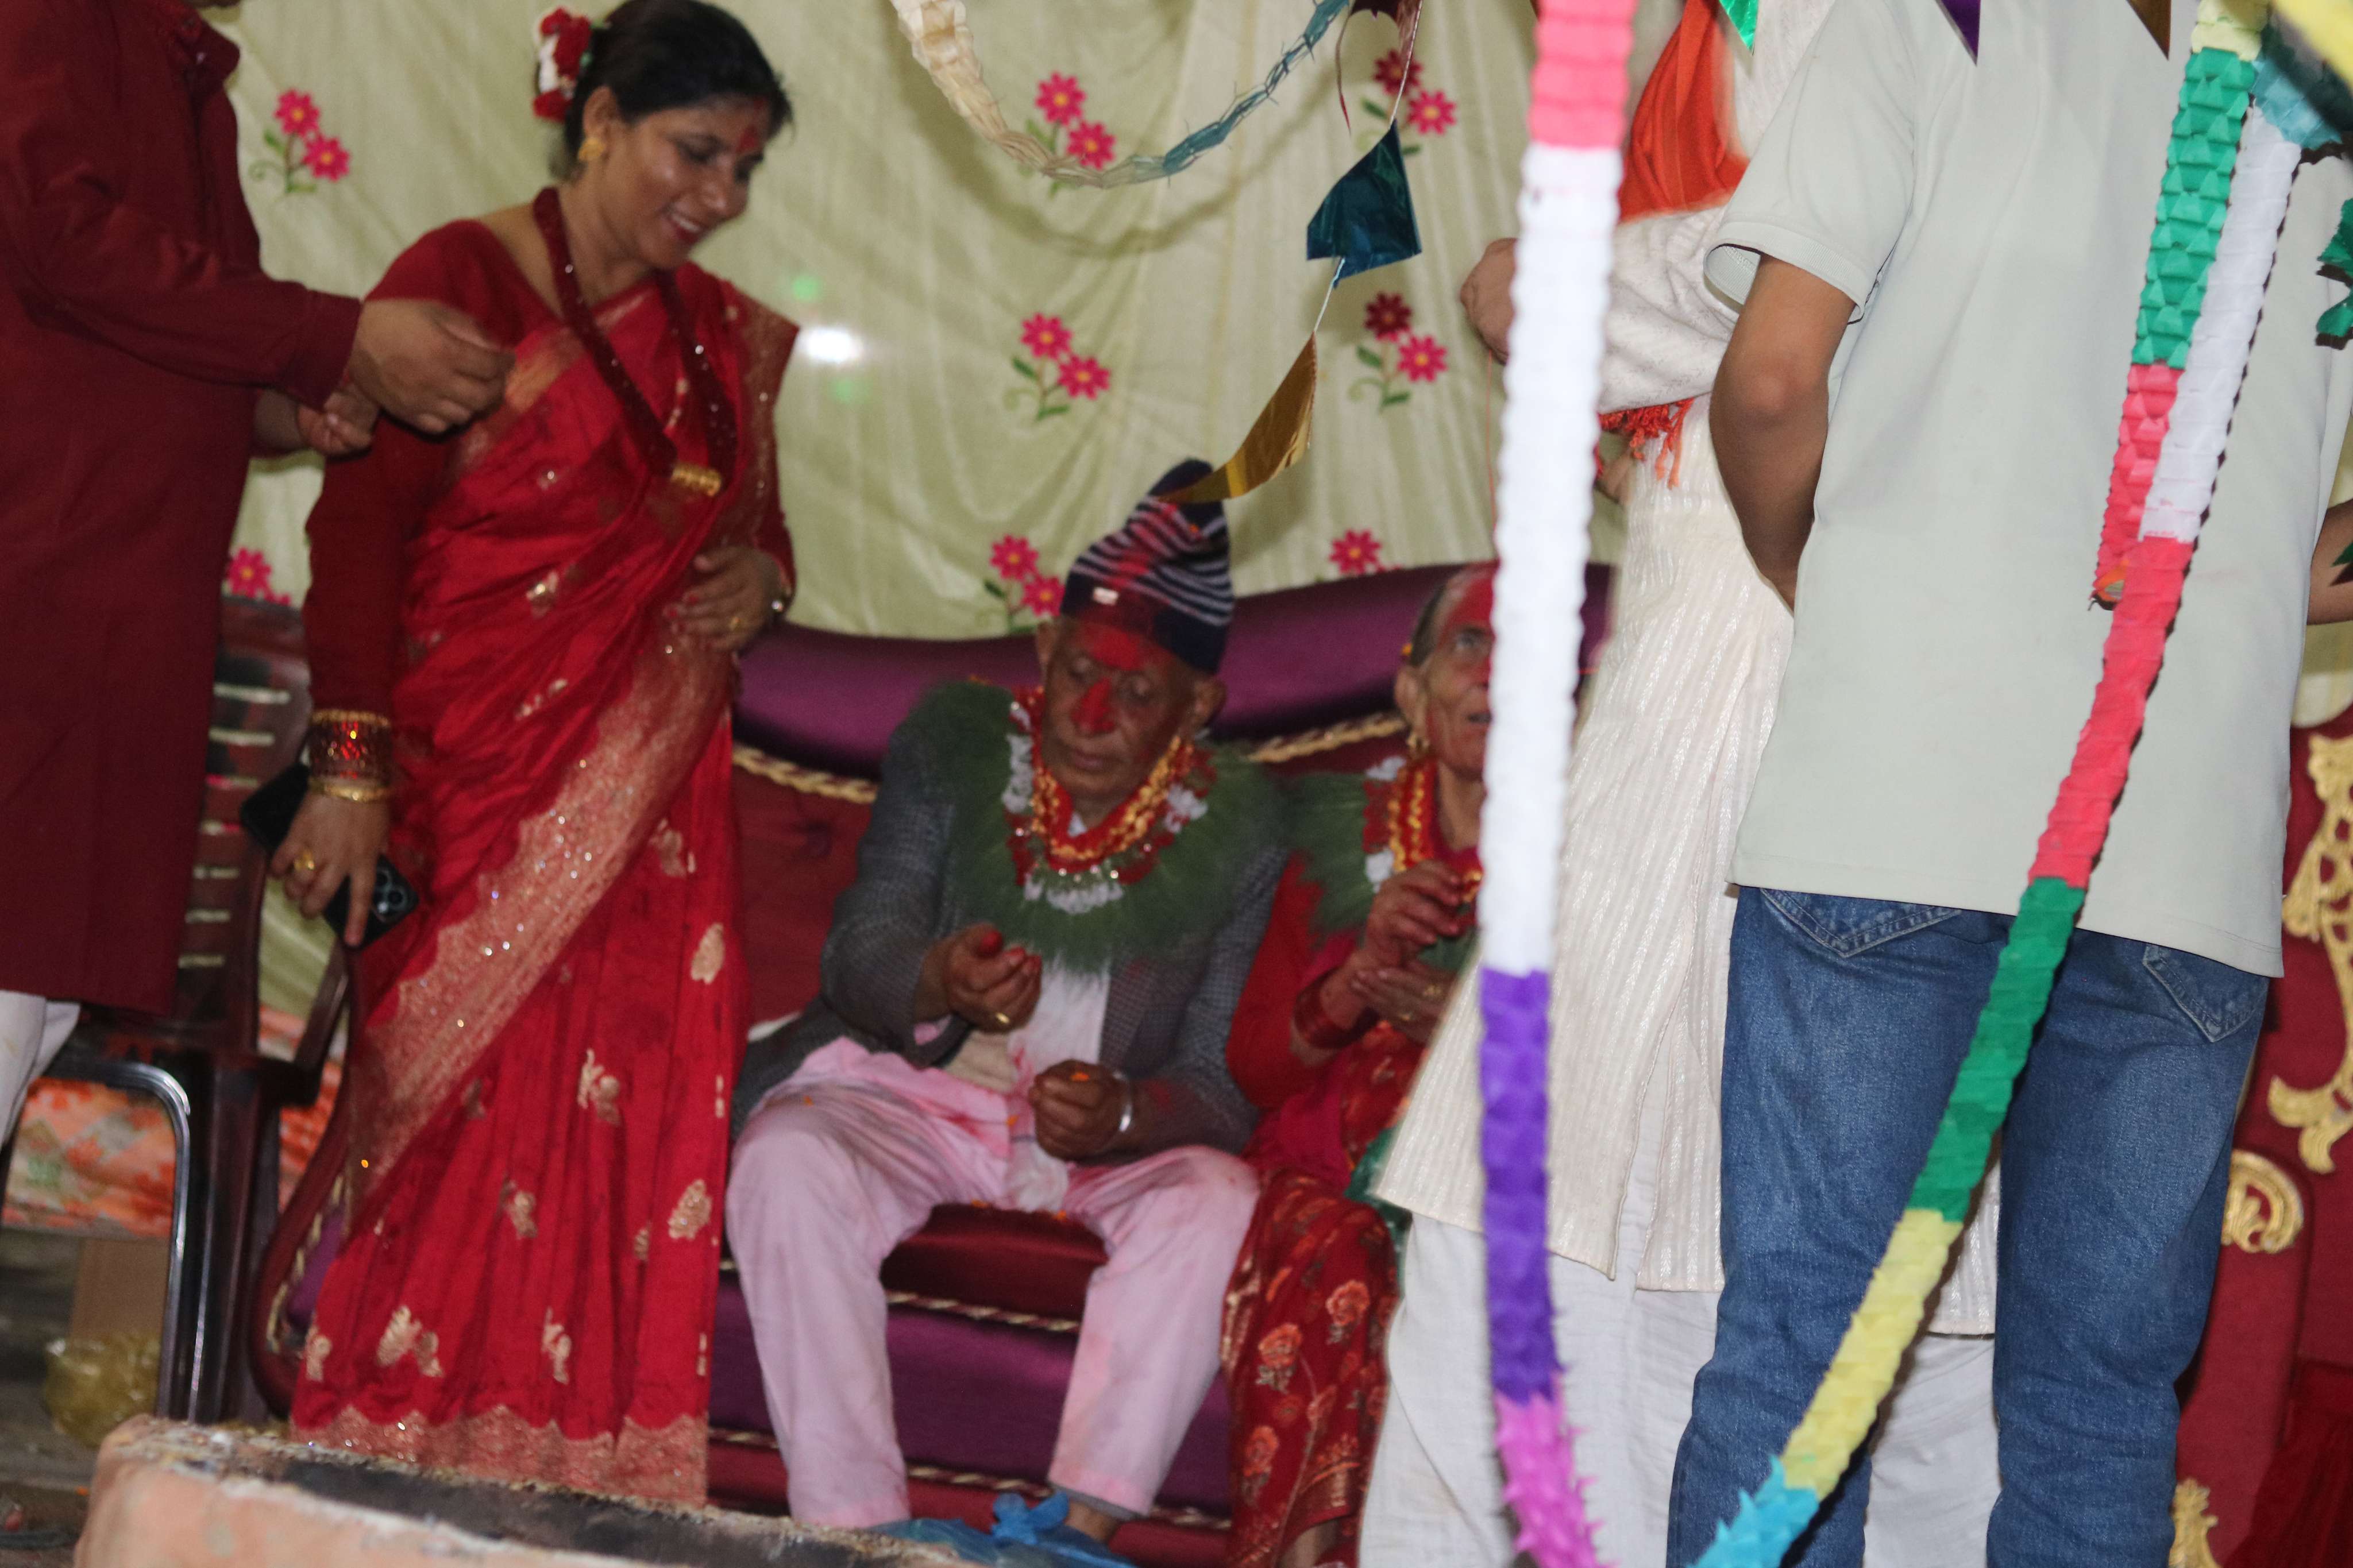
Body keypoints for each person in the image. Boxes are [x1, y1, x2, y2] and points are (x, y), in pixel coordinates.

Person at [1670, 2, 2353, 1564]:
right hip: (2178, 847)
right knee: (2098, 1403)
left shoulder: (1930, 17)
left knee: (1799, 1358)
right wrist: (2234, 589)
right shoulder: (2330, 87)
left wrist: (1817, 577)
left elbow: (1768, 381)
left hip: (1895, 796)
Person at [1360, 2, 2001, 1563]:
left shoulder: (1882, 24)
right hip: (1725, 672)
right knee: (1572, 1231)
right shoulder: (1720, 33)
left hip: (1786, 670)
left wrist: (1567, 288)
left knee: (1709, 1253)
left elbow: (1842, 285)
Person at [278, 0, 796, 1502]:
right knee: (445, 1132)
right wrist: (349, 770)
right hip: (464, 793)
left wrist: (767, 583)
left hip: (650, 840)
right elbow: (357, 535)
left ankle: (568, 1490)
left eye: (745, 169)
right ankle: (380, 1468)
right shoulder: (458, 282)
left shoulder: (719, 342)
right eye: (695, 152)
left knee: (620, 1138)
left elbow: (755, 534)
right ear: (601, 122)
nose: (719, 196)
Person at [726, 465, 1284, 1547]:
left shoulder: (1241, 830)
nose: (1091, 717)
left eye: (1137, 695)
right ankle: (856, 1536)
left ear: (1199, 707)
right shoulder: (957, 748)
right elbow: (861, 949)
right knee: (787, 1159)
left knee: (1217, 1198)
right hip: (916, 1092)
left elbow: (1219, 1081)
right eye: (1079, 671)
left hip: (1102, 1149)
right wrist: (938, 978)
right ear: (1043, 646)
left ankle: (1072, 1536)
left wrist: (1126, 1111)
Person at [0, 0, 510, 1145]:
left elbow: (179, 338)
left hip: (110, 652)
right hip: (34, 618)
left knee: (26, 1018)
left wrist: (294, 405)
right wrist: (334, 339)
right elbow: (61, 239)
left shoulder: (183, 73)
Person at [1218, 564, 1492, 1568]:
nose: (1497, 674)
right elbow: (1255, 1069)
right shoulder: (1341, 831)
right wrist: (1355, 981)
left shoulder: (1597, 854)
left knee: (1449, 1265)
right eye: (1471, 644)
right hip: (1327, 1175)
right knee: (1342, 1254)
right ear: (1413, 691)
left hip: (1494, 1183)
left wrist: (1466, 1030)